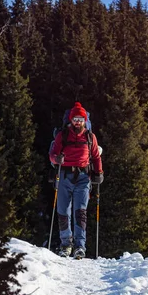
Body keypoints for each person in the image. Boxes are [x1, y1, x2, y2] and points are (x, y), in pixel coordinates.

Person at [49, 102, 103, 258]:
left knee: (80, 212)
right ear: (71, 120)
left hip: (83, 178)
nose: (78, 122)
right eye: (75, 119)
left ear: (85, 121)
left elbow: (96, 157)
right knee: (63, 212)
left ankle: (80, 246)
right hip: (64, 176)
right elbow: (52, 154)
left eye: (81, 119)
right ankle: (66, 244)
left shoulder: (90, 137)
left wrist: (99, 172)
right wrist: (56, 158)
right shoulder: (62, 135)